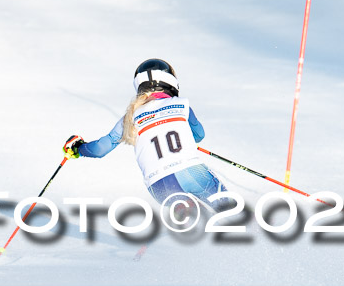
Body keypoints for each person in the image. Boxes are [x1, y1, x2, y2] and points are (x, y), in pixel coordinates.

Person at [63, 58, 227, 211]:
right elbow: (199, 135)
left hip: (158, 185)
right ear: (170, 81)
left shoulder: (130, 117)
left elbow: (100, 149)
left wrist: (79, 148)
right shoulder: (181, 104)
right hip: (190, 171)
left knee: (194, 224)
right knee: (230, 210)